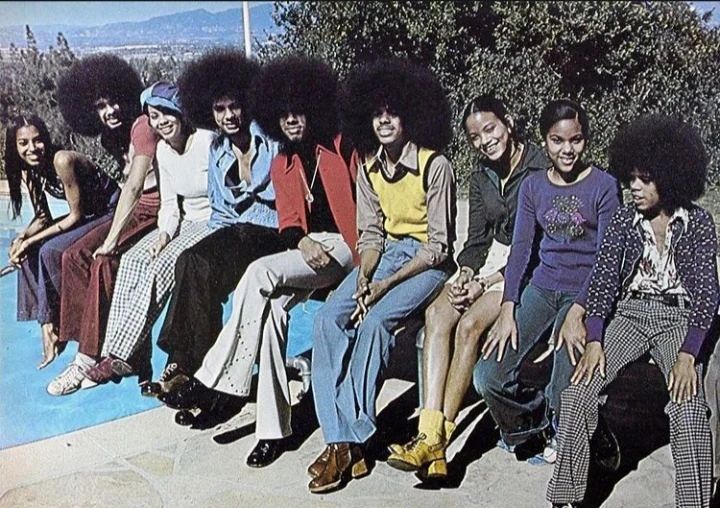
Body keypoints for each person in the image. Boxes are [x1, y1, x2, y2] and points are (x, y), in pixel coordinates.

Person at [163, 55, 359, 468]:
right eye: (283, 115)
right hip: (309, 251)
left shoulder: (339, 146)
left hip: (347, 247)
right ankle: (273, 430)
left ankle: (213, 380)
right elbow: (289, 220)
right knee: (270, 317)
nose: (290, 120)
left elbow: (366, 208)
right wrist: (302, 241)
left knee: (258, 271)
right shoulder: (283, 161)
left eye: (297, 112)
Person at [547, 114, 718, 508]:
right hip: (630, 312)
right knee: (578, 392)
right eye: (631, 178)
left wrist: (690, 354)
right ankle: (565, 499)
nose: (634, 187)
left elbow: (709, 295)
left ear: (671, 176)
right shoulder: (624, 220)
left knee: (688, 405)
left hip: (680, 316)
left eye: (645, 179)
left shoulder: (698, 223)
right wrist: (594, 339)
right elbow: (604, 280)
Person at [307, 57, 456, 493]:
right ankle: (342, 440)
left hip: (426, 265)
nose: (384, 121)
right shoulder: (368, 169)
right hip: (385, 257)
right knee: (329, 320)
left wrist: (386, 286)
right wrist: (365, 277)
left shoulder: (435, 165)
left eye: (392, 112)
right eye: (376, 114)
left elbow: (438, 247)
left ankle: (348, 444)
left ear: (409, 115)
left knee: (375, 322)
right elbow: (369, 235)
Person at [386, 96, 548, 479]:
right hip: (489, 265)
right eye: (475, 137)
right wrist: (465, 275)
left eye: (489, 129)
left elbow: (539, 245)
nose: (484, 141)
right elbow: (476, 239)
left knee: (470, 325)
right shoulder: (480, 176)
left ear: (508, 122)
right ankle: (429, 436)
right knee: (438, 313)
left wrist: (488, 283)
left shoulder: (539, 167)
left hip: (526, 268)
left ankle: (440, 437)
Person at [473, 99, 620, 462]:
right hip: (540, 289)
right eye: (557, 141)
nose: (567, 150)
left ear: (585, 140)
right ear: (545, 141)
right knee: (487, 376)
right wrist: (508, 307)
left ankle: (578, 426)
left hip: (583, 292)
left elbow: (608, 259)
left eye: (576, 140)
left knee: (564, 386)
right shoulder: (534, 186)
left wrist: (580, 310)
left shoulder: (604, 186)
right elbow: (521, 250)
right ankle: (536, 421)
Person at [151, 49, 285, 395]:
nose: (229, 116)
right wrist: (214, 246)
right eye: (220, 109)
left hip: (275, 232)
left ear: (247, 103)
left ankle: (187, 364)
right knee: (192, 261)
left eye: (234, 106)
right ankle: (190, 364)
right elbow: (222, 214)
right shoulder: (218, 149)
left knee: (200, 260)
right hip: (237, 234)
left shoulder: (270, 140)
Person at [83, 82, 216, 393]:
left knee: (160, 267)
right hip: (183, 222)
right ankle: (114, 355)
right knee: (133, 259)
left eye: (167, 113)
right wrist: (165, 234)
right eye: (154, 117)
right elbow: (170, 204)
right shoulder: (164, 152)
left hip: (212, 223)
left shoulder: (206, 142)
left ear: (181, 113)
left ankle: (123, 353)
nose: (161, 122)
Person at [47, 54, 160, 395]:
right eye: (100, 106)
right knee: (72, 256)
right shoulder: (111, 137)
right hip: (133, 208)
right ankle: (86, 347)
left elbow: (138, 185)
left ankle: (87, 358)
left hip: (155, 208)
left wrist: (110, 238)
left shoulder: (141, 126)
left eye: (113, 102)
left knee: (102, 257)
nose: (109, 111)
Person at [5, 115, 117, 369]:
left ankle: (57, 327)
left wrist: (30, 240)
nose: (32, 148)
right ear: (15, 146)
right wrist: (23, 238)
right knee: (30, 251)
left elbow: (75, 217)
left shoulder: (62, 160)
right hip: (90, 215)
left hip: (110, 212)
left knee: (48, 250)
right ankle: (48, 325)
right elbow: (43, 216)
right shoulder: (30, 170)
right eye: (23, 143)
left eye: (37, 140)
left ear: (45, 138)